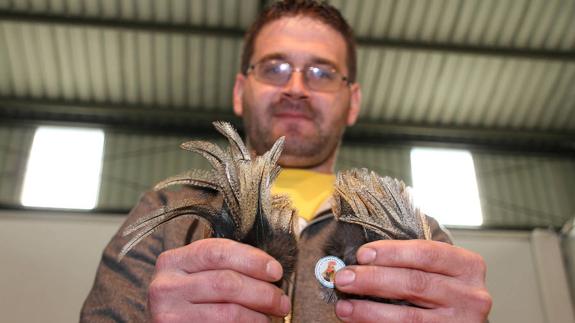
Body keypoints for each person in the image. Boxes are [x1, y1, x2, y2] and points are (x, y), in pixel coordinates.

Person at [81, 1, 492, 322]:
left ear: (354, 102)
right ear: (241, 90)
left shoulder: (417, 231)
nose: (295, 87)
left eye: (322, 72)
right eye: (275, 67)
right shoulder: (166, 213)